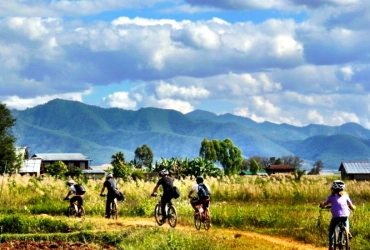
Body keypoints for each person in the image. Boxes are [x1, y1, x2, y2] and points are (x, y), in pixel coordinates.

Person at [320, 180, 356, 250]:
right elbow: (351, 206)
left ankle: (331, 247)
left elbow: (324, 204)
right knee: (345, 220)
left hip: (336, 216)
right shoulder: (346, 196)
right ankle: (347, 232)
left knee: (331, 230)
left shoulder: (331, 197)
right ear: (343, 188)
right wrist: (353, 207)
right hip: (345, 215)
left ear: (332, 189)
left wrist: (322, 206)